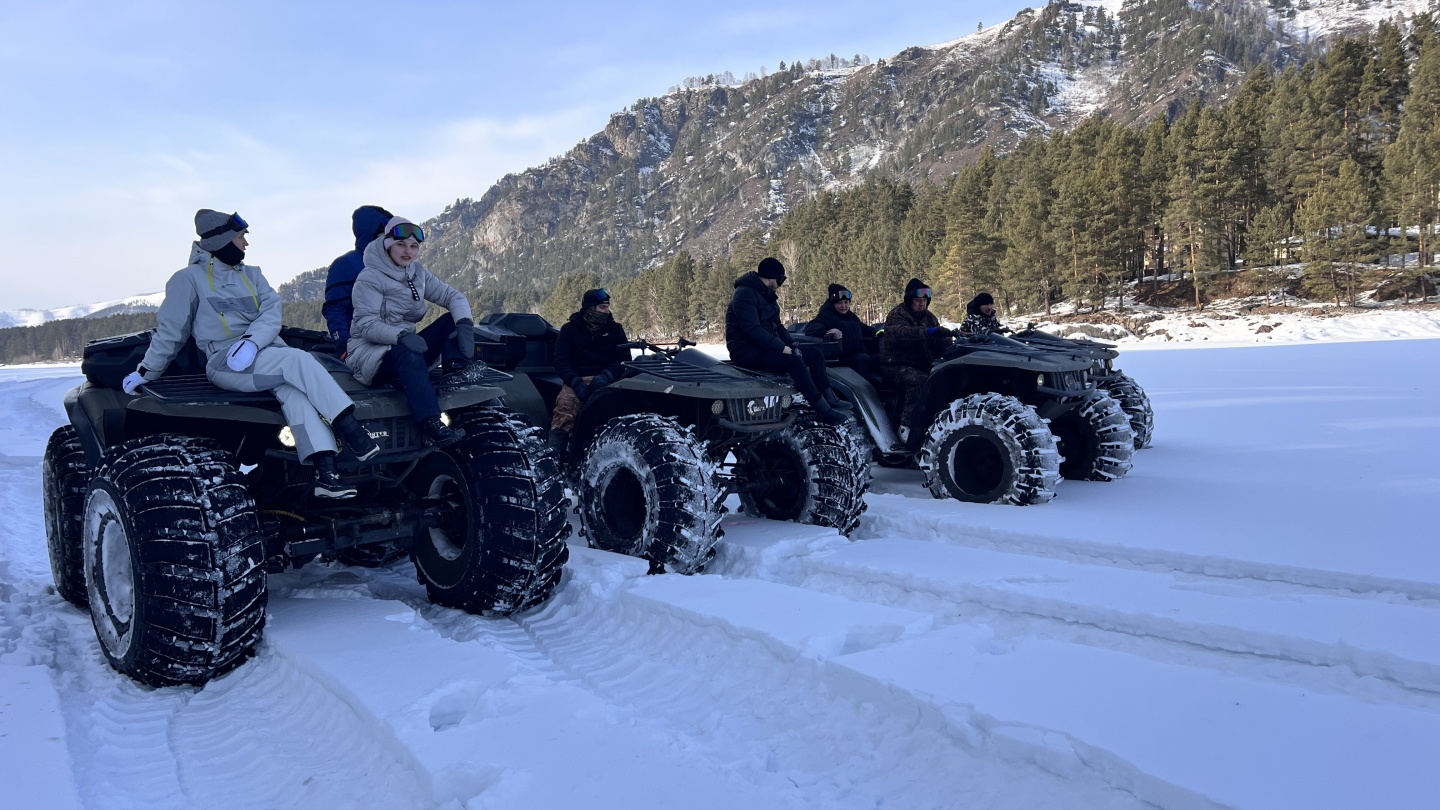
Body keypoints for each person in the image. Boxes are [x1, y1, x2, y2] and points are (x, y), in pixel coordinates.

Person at [122, 209, 379, 498]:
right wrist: (146, 372)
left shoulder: (253, 275)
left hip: (265, 353)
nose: (246, 242)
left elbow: (272, 312)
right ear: (222, 240)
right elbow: (171, 332)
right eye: (241, 236)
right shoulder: (187, 280)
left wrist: (252, 343)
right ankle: (353, 431)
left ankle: (327, 474)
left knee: (294, 391)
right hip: (224, 362)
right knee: (298, 359)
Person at [345, 216, 476, 447]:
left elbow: (452, 296)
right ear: (388, 245)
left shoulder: (417, 272)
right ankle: (430, 423)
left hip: (407, 347)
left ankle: (457, 371)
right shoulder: (370, 277)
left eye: (414, 246)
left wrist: (465, 323)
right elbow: (366, 325)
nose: (408, 251)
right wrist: (400, 336)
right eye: (401, 245)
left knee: (450, 321)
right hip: (371, 354)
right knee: (408, 353)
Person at [725, 258, 851, 424]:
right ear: (771, 277)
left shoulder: (767, 296)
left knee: (815, 354)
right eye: (780, 280)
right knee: (795, 363)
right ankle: (822, 409)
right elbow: (752, 330)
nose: (780, 284)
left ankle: (830, 398)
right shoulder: (744, 294)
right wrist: (781, 348)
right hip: (745, 350)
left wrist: (793, 344)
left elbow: (778, 326)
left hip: (765, 346)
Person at [549, 288, 630, 455]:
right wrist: (575, 382)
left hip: (608, 380)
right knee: (564, 409)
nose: (606, 311)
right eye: (602, 307)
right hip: (577, 379)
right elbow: (561, 360)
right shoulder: (569, 330)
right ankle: (555, 457)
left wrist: (605, 376)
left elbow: (623, 359)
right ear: (591, 308)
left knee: (618, 411)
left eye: (607, 307)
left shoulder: (616, 330)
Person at [879, 278, 953, 437]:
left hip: (922, 365)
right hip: (895, 365)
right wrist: (926, 332)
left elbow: (941, 341)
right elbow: (899, 333)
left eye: (924, 301)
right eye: (918, 300)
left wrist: (951, 347)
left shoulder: (930, 317)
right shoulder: (897, 315)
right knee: (919, 381)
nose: (921, 304)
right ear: (909, 300)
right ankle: (907, 428)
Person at [322, 205, 393, 358]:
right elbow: (335, 309)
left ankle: (454, 371)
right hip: (363, 347)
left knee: (453, 319)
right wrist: (343, 344)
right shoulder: (347, 264)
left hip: (395, 343)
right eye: (388, 232)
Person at [803, 283, 880, 384]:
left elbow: (866, 329)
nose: (843, 306)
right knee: (862, 359)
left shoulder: (851, 317)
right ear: (833, 304)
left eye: (846, 302)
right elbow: (811, 328)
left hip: (860, 354)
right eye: (839, 303)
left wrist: (884, 332)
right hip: (840, 359)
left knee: (882, 358)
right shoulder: (826, 316)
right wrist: (828, 332)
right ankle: (866, 394)